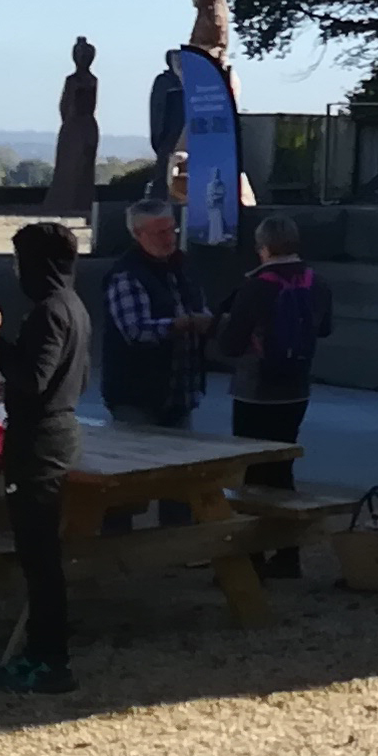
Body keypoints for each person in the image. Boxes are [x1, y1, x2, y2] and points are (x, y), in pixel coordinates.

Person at [0, 221, 86, 695]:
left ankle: (49, 658)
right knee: (43, 556)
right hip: (59, 430)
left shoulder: (48, 312)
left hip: (39, 441)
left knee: (39, 557)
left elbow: (34, 378)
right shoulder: (74, 306)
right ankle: (46, 652)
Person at [206, 212, 333, 578]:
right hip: (296, 388)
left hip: (256, 389)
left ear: (262, 247)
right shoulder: (317, 282)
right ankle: (288, 552)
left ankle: (253, 555)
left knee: (251, 474)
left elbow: (230, 344)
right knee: (282, 469)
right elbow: (324, 328)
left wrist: (219, 325)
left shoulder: (257, 285)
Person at [100, 196, 214, 528]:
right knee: (126, 479)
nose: (168, 238)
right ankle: (114, 544)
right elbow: (135, 331)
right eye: (159, 232)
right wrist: (181, 325)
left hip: (179, 392)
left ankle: (176, 545)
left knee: (181, 478)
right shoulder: (125, 274)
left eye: (171, 229)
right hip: (137, 394)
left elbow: (200, 305)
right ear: (138, 234)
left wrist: (204, 320)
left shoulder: (182, 265)